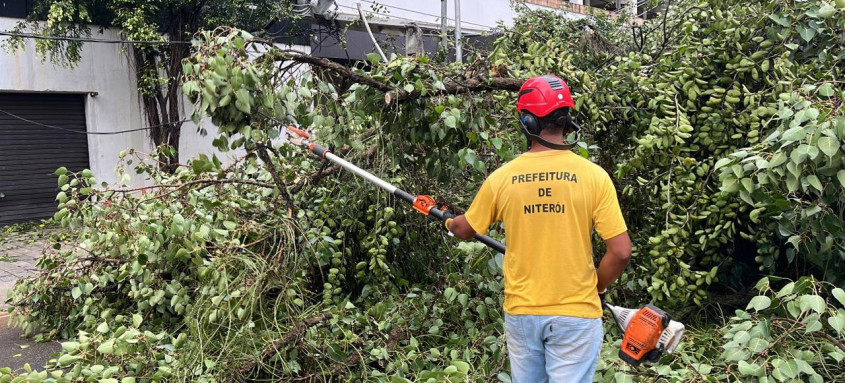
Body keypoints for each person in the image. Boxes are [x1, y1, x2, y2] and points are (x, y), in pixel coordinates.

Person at [445, 75, 632, 383]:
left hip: (523, 312)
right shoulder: (594, 177)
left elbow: (465, 230)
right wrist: (596, 287)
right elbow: (621, 252)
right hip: (576, 315)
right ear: (567, 120)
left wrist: (447, 220)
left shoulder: (503, 177)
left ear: (527, 121)